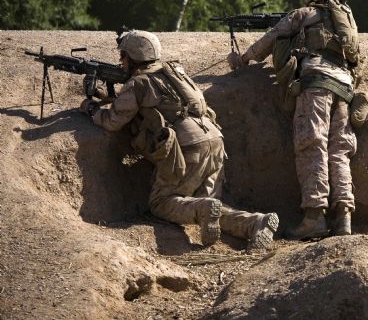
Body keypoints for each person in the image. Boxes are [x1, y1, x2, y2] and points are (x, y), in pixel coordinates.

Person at [80, 30, 278, 250]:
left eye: (123, 55)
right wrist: (108, 97)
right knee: (207, 209)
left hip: (186, 148)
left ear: (133, 57)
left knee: (162, 203)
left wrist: (90, 109)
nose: (120, 60)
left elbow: (112, 121)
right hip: (214, 140)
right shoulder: (174, 73)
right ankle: (254, 224)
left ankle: (208, 210)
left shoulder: (139, 83)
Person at [228, 0, 364, 239]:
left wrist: (242, 59)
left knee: (311, 144)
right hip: (345, 88)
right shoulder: (348, 23)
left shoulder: (303, 14)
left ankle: (314, 217)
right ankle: (344, 216)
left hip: (315, 84)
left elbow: (269, 39)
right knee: (340, 152)